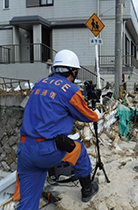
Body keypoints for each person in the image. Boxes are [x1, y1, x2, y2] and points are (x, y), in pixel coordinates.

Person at [14, 49, 99, 209]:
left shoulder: (39, 84)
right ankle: (87, 190)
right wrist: (97, 113)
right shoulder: (70, 90)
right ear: (73, 71)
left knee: (27, 203)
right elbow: (89, 116)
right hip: (47, 151)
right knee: (79, 149)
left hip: (24, 150)